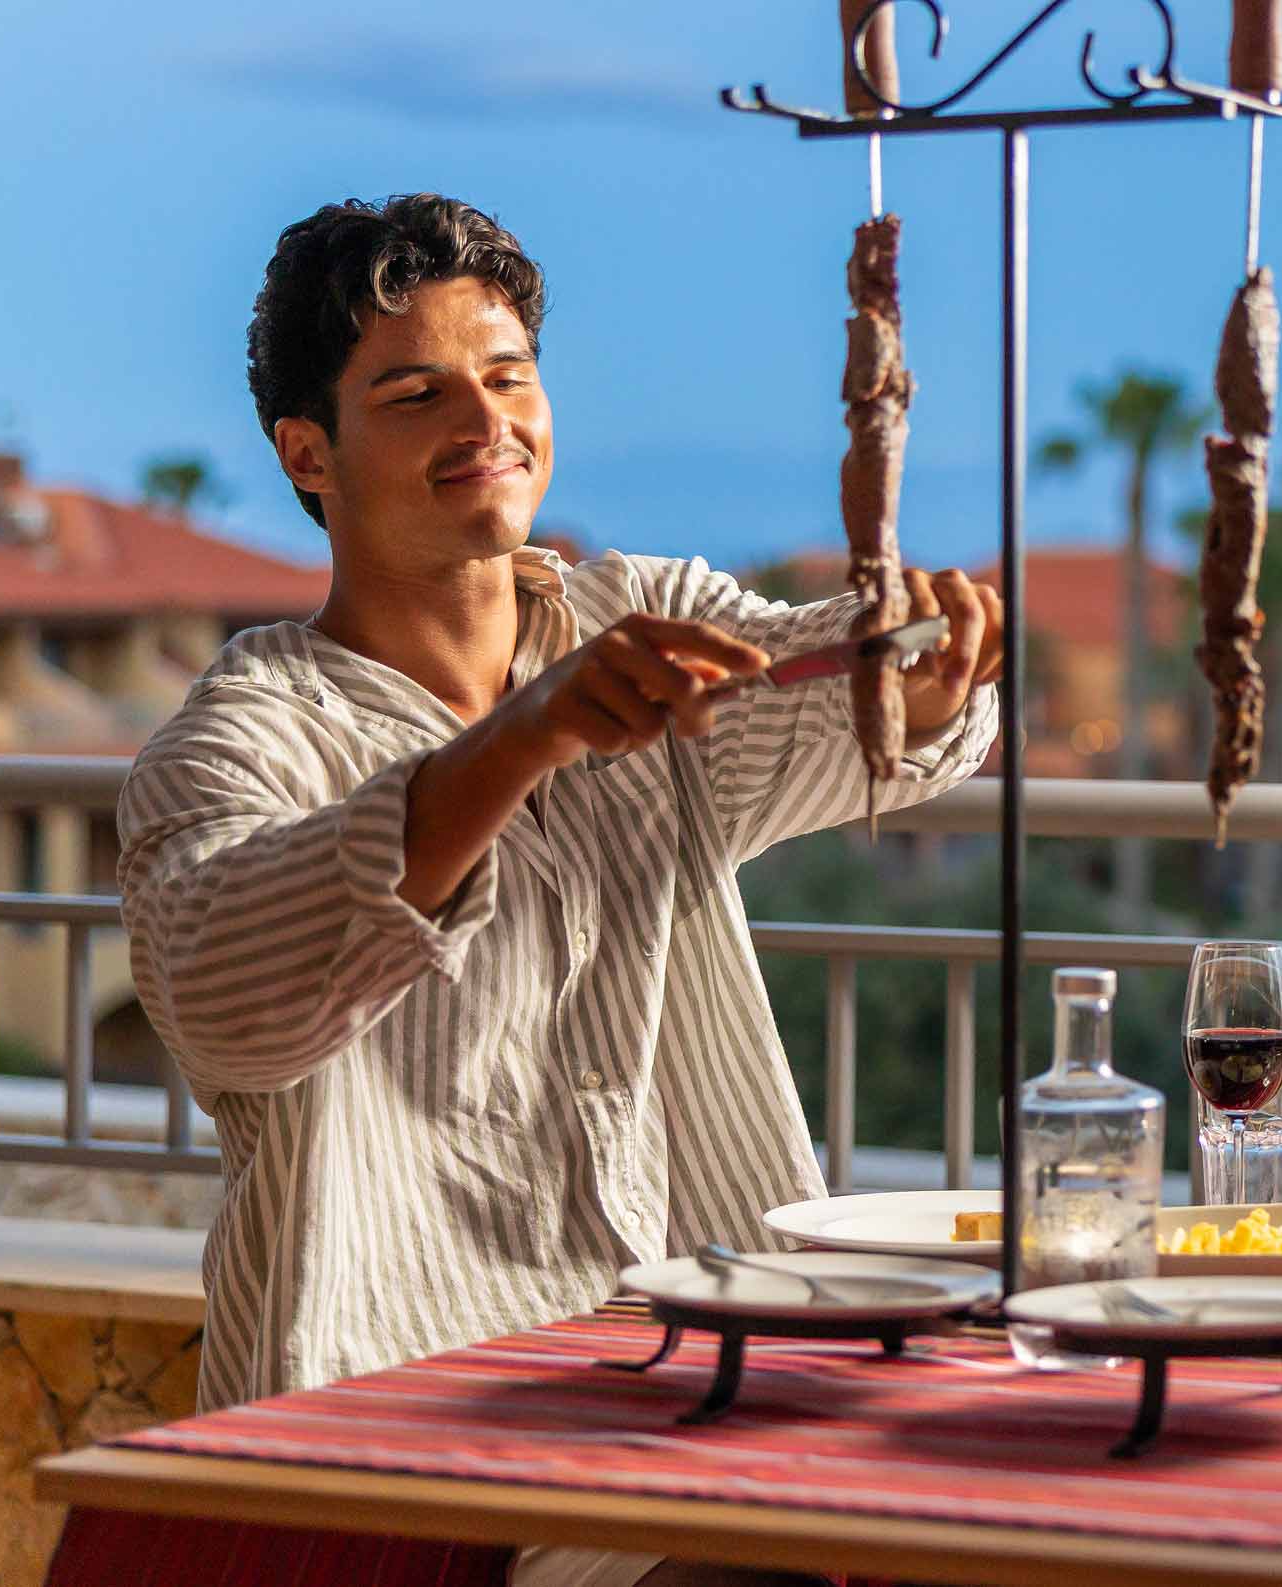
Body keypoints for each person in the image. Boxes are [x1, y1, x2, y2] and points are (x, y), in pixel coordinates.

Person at [118, 195, 1003, 1587]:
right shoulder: (240, 739)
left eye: (508, 374)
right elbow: (233, 1006)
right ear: (309, 456)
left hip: (688, 1376)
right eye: (414, 393)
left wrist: (927, 673)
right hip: (403, 1423)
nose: (485, 420)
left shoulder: (626, 621)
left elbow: (825, 689)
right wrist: (525, 739)